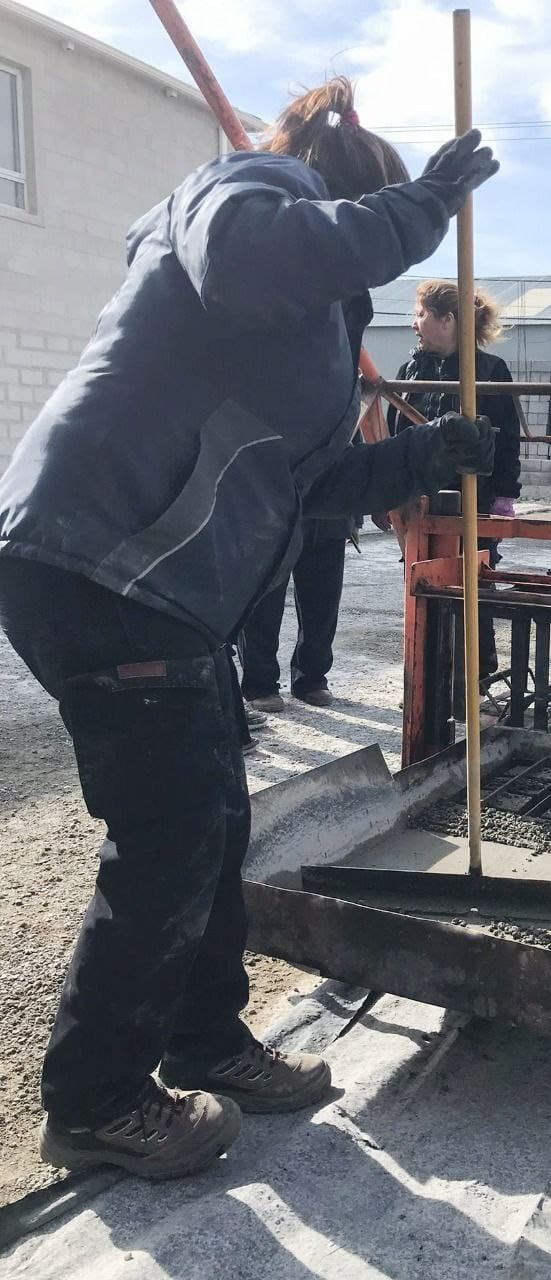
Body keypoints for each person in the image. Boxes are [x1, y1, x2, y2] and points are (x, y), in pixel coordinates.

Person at [0, 77, 497, 1180]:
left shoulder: (305, 329)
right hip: (103, 549)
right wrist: (425, 206)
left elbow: (306, 485)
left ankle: (207, 1040)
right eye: (369, 232)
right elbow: (261, 254)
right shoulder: (244, 192)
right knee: (170, 832)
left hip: (154, 580)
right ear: (342, 200)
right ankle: (96, 1102)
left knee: (214, 817)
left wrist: (427, 457)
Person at [386, 281, 522, 678]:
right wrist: (386, 492)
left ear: (447, 320)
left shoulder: (490, 371)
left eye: (421, 315)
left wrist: (504, 497)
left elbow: (508, 438)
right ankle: (424, 681)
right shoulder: (409, 371)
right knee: (421, 584)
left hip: (470, 498)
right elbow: (395, 438)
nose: (414, 324)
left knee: (471, 585)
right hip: (417, 498)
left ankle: (473, 680)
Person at [238, 515, 355, 711]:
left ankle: (311, 678)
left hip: (329, 513)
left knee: (323, 602)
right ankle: (260, 685)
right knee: (262, 604)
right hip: (268, 512)